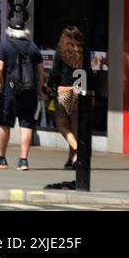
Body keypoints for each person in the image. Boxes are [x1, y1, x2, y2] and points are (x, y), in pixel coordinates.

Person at [0, 16, 44, 170]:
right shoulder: (33, 47)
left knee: (5, 124)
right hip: (29, 91)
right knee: (26, 124)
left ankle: (1, 158)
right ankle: (23, 160)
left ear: (10, 30)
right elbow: (41, 72)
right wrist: (39, 90)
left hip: (10, 91)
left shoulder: (5, 45)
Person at [49, 25, 83, 170]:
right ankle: (71, 159)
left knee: (62, 125)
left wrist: (51, 85)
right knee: (74, 127)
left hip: (65, 90)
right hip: (80, 90)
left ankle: (79, 153)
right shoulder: (83, 52)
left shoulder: (61, 52)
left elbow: (55, 73)